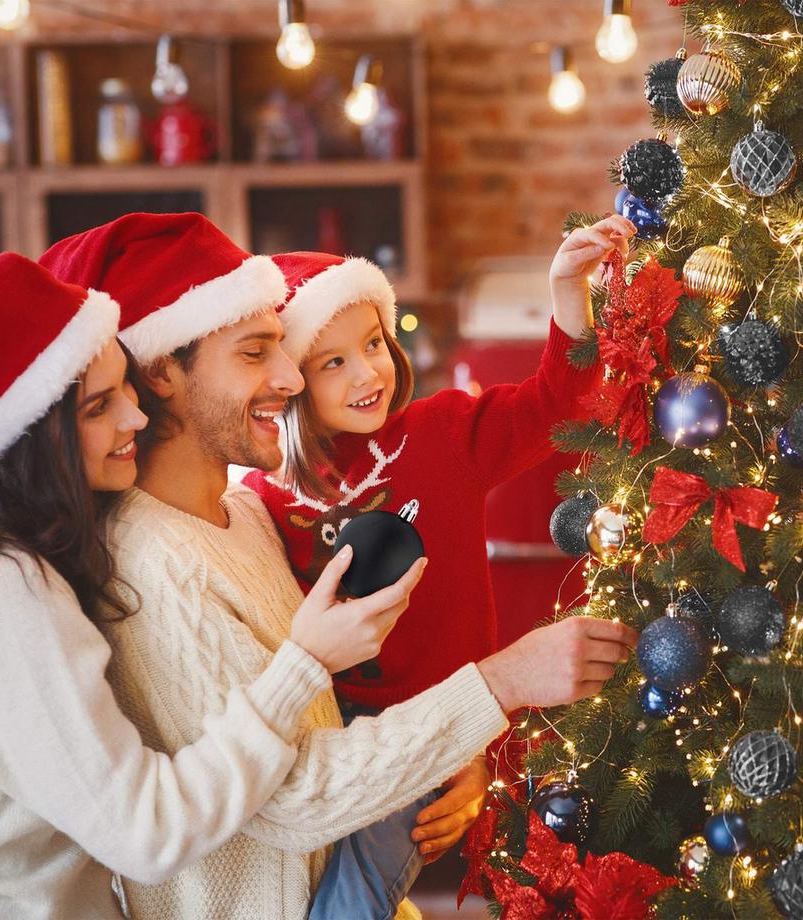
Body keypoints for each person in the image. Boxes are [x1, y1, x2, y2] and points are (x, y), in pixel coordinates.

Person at [41, 211, 639, 920]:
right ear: (165, 370)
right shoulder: (166, 564)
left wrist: (459, 749)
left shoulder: (245, 516)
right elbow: (296, 799)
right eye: (257, 351)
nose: (289, 376)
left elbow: (327, 736)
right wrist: (497, 687)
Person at [0, 253, 421, 919]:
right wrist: (307, 664)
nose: (136, 419)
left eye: (127, 391)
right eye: (99, 406)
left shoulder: (30, 559)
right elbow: (147, 829)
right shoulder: (3, 590)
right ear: (33, 440)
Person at [241, 216, 634, 859]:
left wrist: (567, 291)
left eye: (372, 344)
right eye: (332, 362)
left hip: (453, 732)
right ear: (289, 380)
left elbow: (553, 406)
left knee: (368, 880)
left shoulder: (443, 434)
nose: (367, 374)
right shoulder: (264, 499)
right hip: (339, 755)